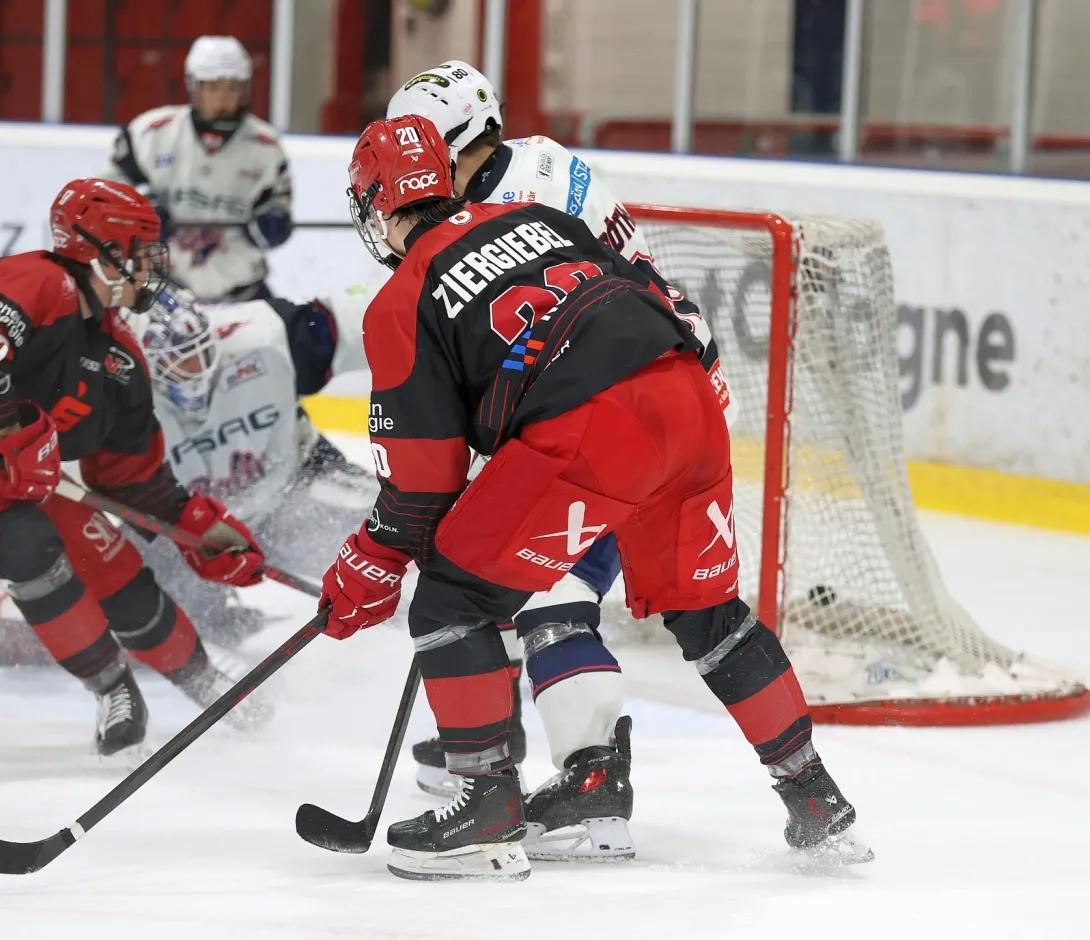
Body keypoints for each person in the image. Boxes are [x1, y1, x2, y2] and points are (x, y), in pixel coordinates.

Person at [319, 115, 869, 882]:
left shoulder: (400, 300)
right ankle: (814, 796)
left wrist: (368, 560)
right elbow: (651, 288)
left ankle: (484, 807)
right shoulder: (534, 216)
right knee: (708, 612)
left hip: (590, 428)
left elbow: (421, 490)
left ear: (378, 206)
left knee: (451, 600)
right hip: (689, 401)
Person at [386, 60, 730, 860]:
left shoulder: (510, 202)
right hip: (645, 388)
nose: (420, 178)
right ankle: (495, 744)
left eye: (432, 153)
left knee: (544, 591)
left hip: (621, 410)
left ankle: (590, 781)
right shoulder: (536, 164)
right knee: (490, 566)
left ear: (469, 142)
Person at [0, 178, 269, 760]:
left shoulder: (120, 359)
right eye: (142, 251)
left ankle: (205, 681)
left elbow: (130, 481)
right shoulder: (40, 280)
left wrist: (203, 530)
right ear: (103, 249)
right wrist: (21, 436)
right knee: (29, 544)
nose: (152, 266)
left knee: (112, 559)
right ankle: (113, 689)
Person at [0, 283, 375, 661]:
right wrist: (22, 574)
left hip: (291, 492)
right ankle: (203, 612)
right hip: (182, 534)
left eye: (199, 354)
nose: (193, 373)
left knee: (400, 533)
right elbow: (41, 485)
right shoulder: (106, 389)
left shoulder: (269, 334)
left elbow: (378, 314)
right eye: (175, 363)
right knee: (34, 633)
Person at [104, 35, 293, 305]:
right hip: (161, 293)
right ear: (194, 86)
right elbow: (109, 190)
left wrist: (274, 221)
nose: (223, 99)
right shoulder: (150, 133)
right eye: (213, 88)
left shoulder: (266, 147)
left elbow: (280, 203)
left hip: (243, 294)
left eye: (232, 88)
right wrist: (140, 209)